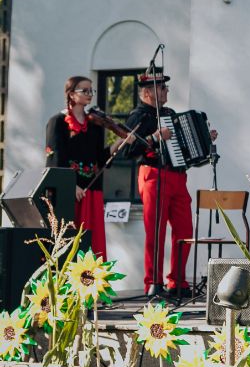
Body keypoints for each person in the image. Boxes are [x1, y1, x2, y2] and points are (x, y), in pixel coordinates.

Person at [121, 69, 217, 296]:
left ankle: (177, 281)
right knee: (156, 231)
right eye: (162, 87)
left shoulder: (170, 113)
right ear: (147, 92)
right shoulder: (138, 117)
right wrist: (154, 137)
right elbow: (128, 151)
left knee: (185, 229)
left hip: (176, 176)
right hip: (153, 174)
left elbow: (183, 146)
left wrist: (204, 138)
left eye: (165, 87)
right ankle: (153, 283)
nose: (166, 91)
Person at [44, 76, 111, 258]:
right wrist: (70, 185)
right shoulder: (57, 121)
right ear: (72, 94)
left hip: (91, 191)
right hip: (69, 193)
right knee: (69, 242)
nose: (90, 94)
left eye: (91, 90)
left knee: (92, 242)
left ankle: (92, 285)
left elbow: (99, 158)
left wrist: (118, 144)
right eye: (85, 90)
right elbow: (55, 159)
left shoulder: (95, 125)